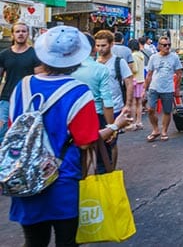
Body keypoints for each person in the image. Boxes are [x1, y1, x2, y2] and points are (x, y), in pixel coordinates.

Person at [7, 25, 132, 247]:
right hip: (61, 179)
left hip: (25, 175)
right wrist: (115, 126)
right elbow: (86, 142)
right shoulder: (78, 91)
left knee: (34, 241)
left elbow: (14, 129)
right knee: (67, 241)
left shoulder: (22, 86)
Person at [94, 30, 133, 168]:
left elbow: (129, 82)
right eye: (97, 45)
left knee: (111, 141)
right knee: (96, 141)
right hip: (96, 109)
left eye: (103, 45)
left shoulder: (118, 62)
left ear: (111, 44)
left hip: (115, 107)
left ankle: (111, 169)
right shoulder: (93, 62)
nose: (100, 49)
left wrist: (128, 105)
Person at [0, 22, 42, 143]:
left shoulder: (34, 54)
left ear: (28, 34)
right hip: (7, 98)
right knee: (2, 132)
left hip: (27, 99)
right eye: (17, 31)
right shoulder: (4, 55)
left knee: (24, 133)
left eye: (23, 31)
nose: (20, 34)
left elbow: (38, 79)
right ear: (13, 34)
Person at [144, 36, 183, 141]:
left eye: (169, 45)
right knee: (151, 109)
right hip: (154, 87)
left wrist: (177, 88)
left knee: (167, 111)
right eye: (164, 45)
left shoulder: (174, 57)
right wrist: (145, 88)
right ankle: (155, 129)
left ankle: (164, 131)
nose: (167, 47)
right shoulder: (153, 57)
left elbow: (179, 73)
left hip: (168, 88)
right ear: (159, 46)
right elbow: (149, 74)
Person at [128, 38, 146, 130]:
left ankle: (133, 123)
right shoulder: (141, 54)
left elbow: (134, 69)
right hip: (141, 80)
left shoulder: (133, 56)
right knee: (139, 102)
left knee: (133, 103)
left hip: (134, 81)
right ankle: (139, 122)